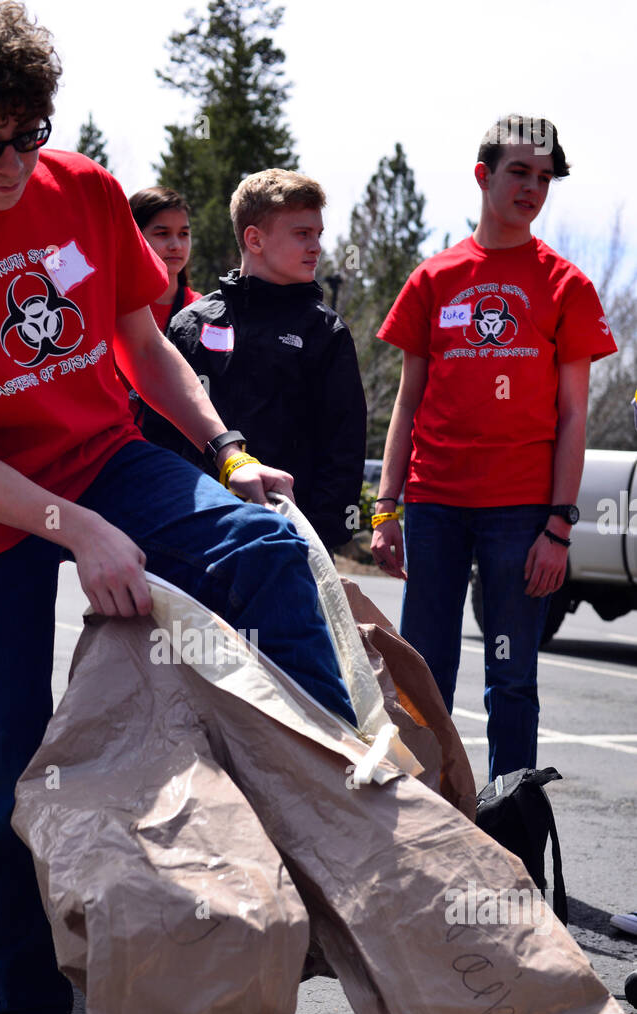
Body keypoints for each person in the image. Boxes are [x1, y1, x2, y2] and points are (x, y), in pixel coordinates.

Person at [0, 0, 358, 1014]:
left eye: (28, 130)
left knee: (267, 545)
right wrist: (78, 533)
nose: (11, 160)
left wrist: (226, 453)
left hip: (107, 453)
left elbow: (142, 345)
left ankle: (332, 816)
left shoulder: (78, 189)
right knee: (5, 756)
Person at [372, 115, 617, 780]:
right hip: (434, 505)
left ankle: (512, 835)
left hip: (520, 513)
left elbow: (572, 417)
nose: (532, 187)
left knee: (511, 679)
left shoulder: (565, 285)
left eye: (544, 178)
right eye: (518, 172)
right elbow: (406, 401)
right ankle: (430, 822)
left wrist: (558, 526)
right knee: (421, 676)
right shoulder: (433, 279)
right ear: (482, 175)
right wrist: (385, 508)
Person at [158, 168, 366, 554]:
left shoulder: (326, 331)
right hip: (192, 529)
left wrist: (319, 537)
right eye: (302, 233)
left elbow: (344, 447)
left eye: (318, 234)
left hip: (287, 536)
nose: (316, 247)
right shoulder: (191, 323)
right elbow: (159, 432)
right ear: (254, 239)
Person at [129, 186, 201, 334]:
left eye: (183, 233)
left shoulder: (201, 310)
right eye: (162, 233)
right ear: (134, 237)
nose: (176, 246)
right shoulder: (114, 308)